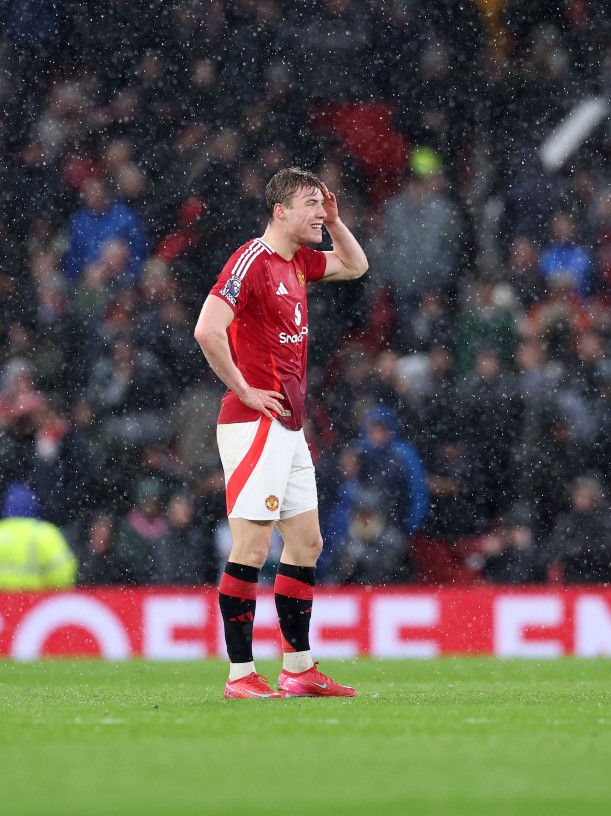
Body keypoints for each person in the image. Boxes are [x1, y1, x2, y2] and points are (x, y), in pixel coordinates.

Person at [193, 167, 367, 699]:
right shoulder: (252, 260)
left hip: (289, 427)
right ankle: (241, 675)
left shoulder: (298, 264)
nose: (320, 211)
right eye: (312, 204)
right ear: (280, 211)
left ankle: (298, 669)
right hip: (254, 424)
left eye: (324, 203)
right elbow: (207, 328)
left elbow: (356, 266)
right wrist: (245, 390)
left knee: (307, 543)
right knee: (251, 546)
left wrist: (336, 224)